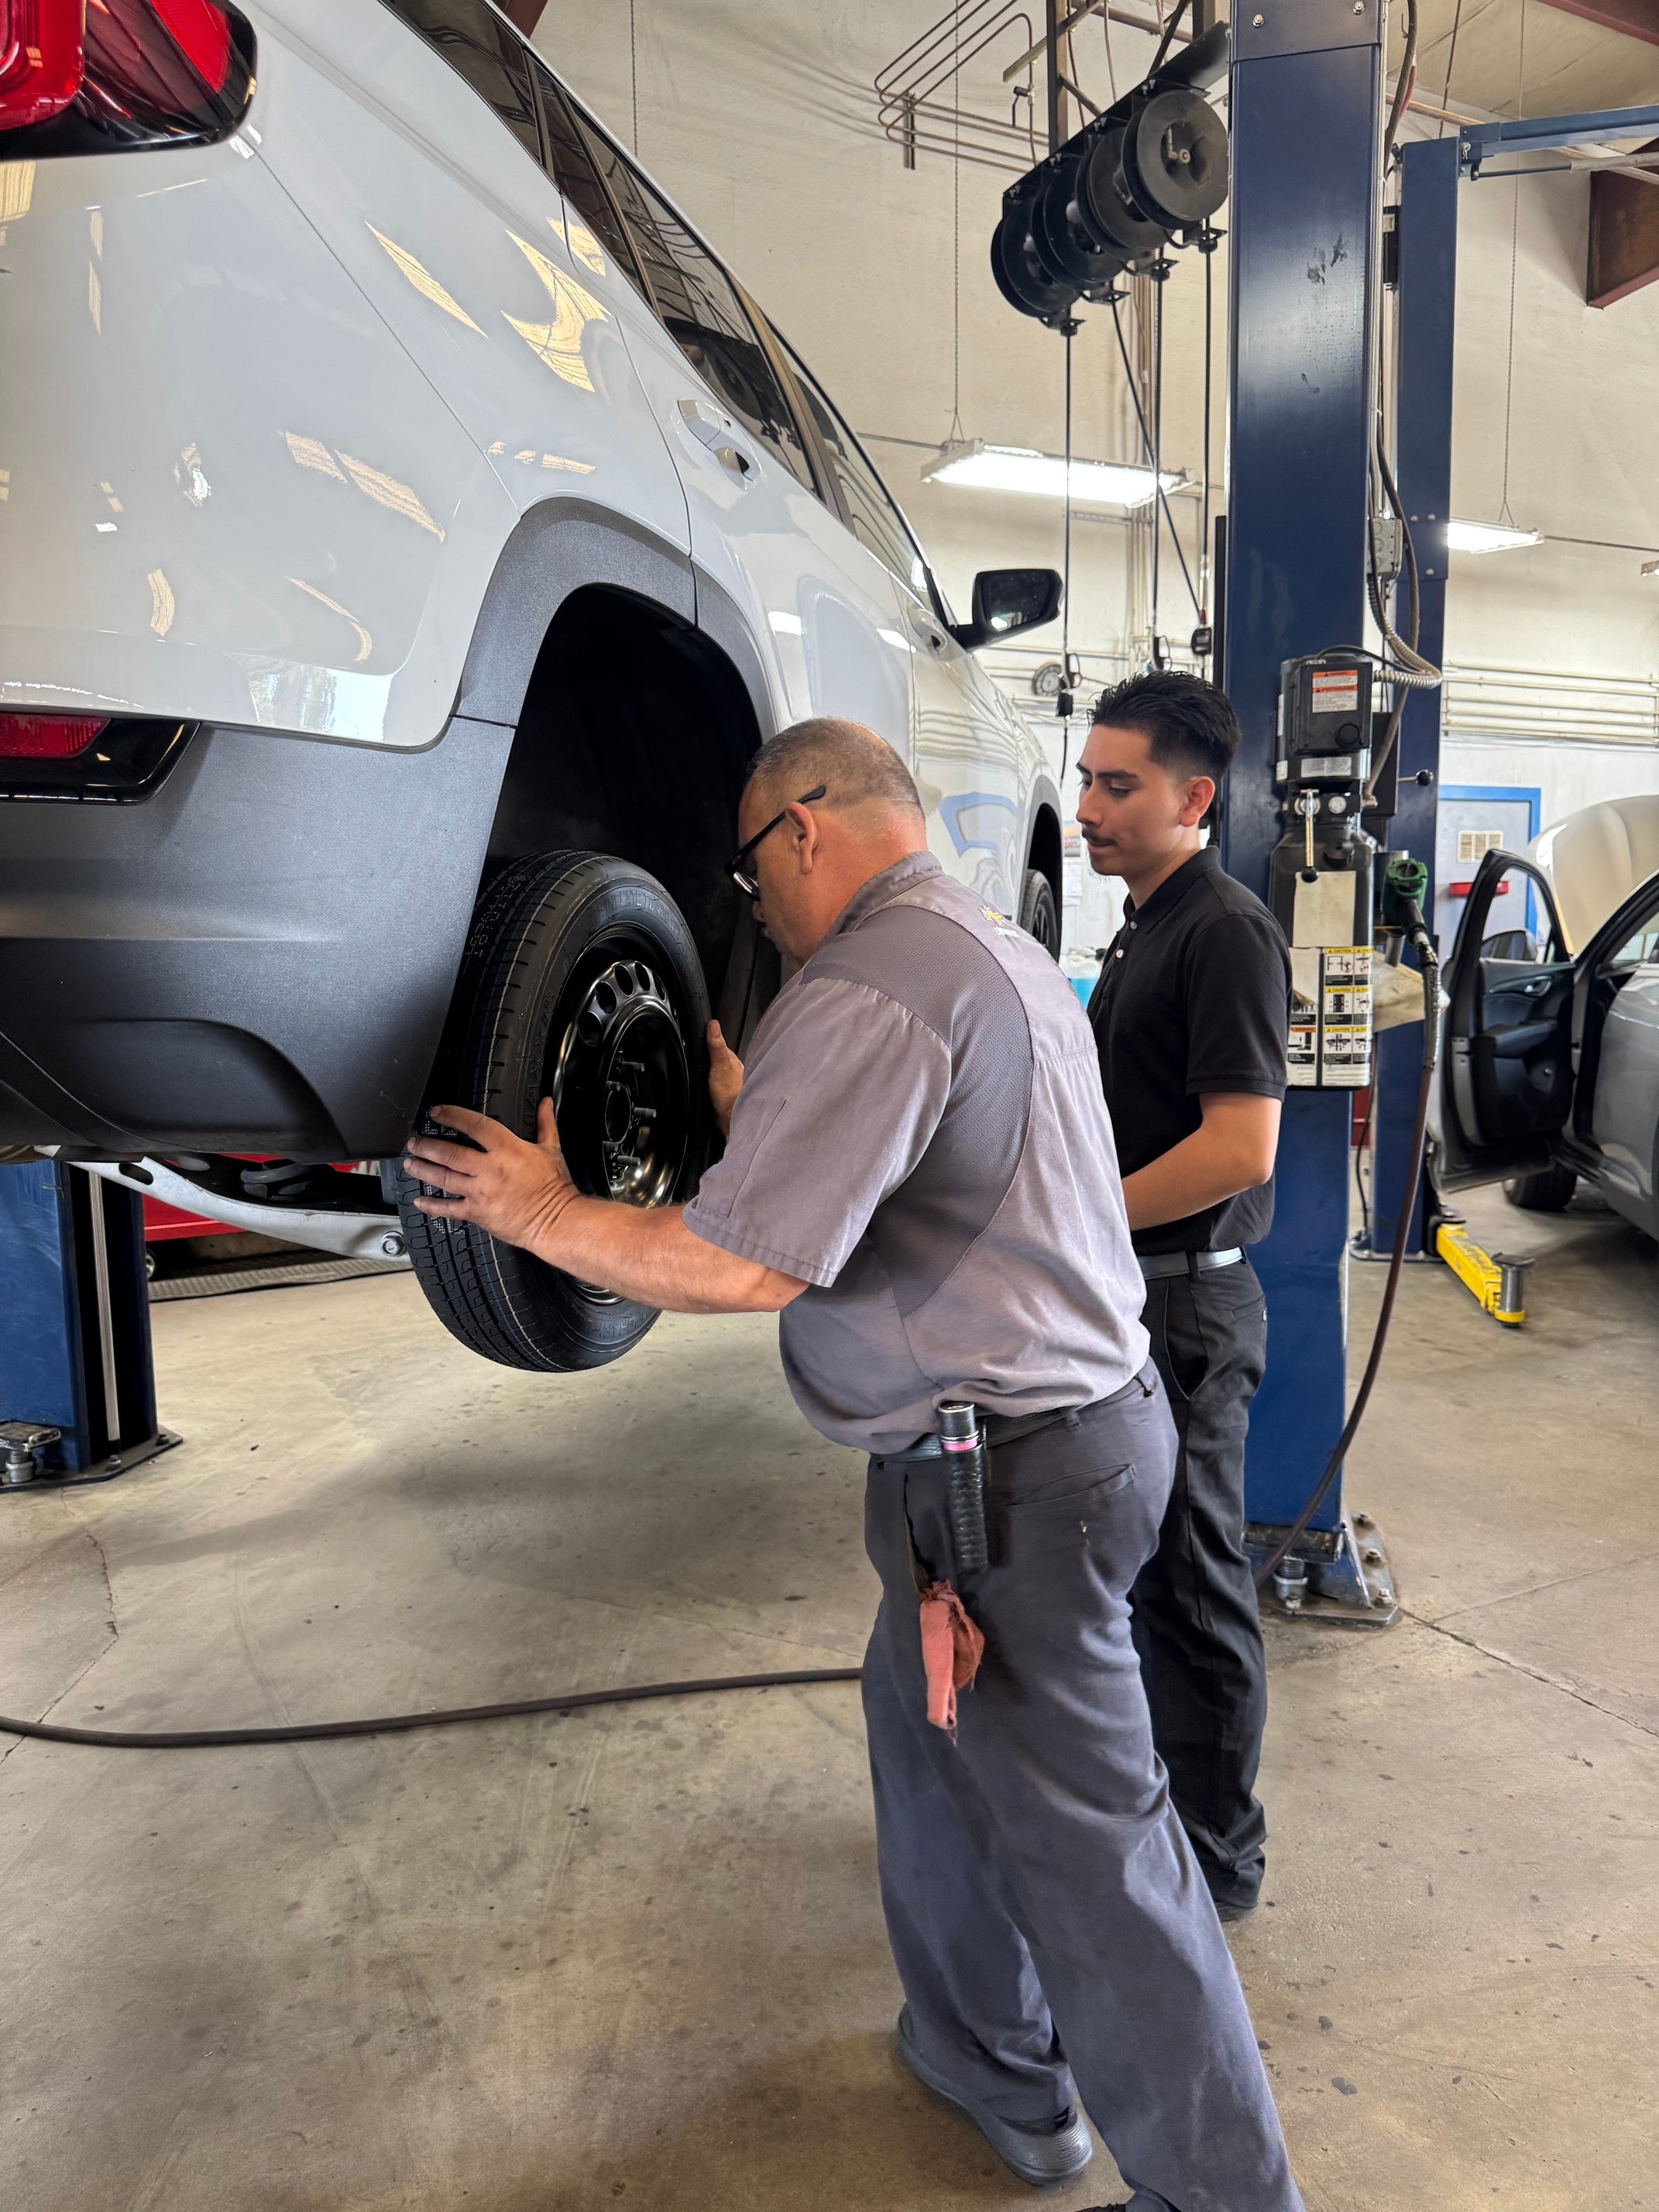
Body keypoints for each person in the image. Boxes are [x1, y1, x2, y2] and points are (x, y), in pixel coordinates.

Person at [404, 716, 1302, 2211]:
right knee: (925, 1740)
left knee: (1101, 1858)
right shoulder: (983, 949)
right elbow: (915, 1169)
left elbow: (743, 1266)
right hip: (1022, 1460)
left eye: (752, 878)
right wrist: (767, 1108)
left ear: (802, 829)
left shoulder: (873, 985)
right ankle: (986, 2059)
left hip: (1007, 1484)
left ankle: (1220, 2194)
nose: (752, 909)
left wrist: (544, 1213)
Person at [1076, 671, 1292, 1924]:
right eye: (1088, 778)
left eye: (1119, 785)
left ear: (1192, 796)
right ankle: (1161, 1811)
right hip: (1133, 1298)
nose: (1090, 806)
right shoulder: (1143, 920)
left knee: (1195, 1587)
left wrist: (1080, 1217)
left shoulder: (1220, 930)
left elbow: (1237, 1151)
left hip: (1189, 1311)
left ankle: (1219, 1860)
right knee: (1141, 1580)